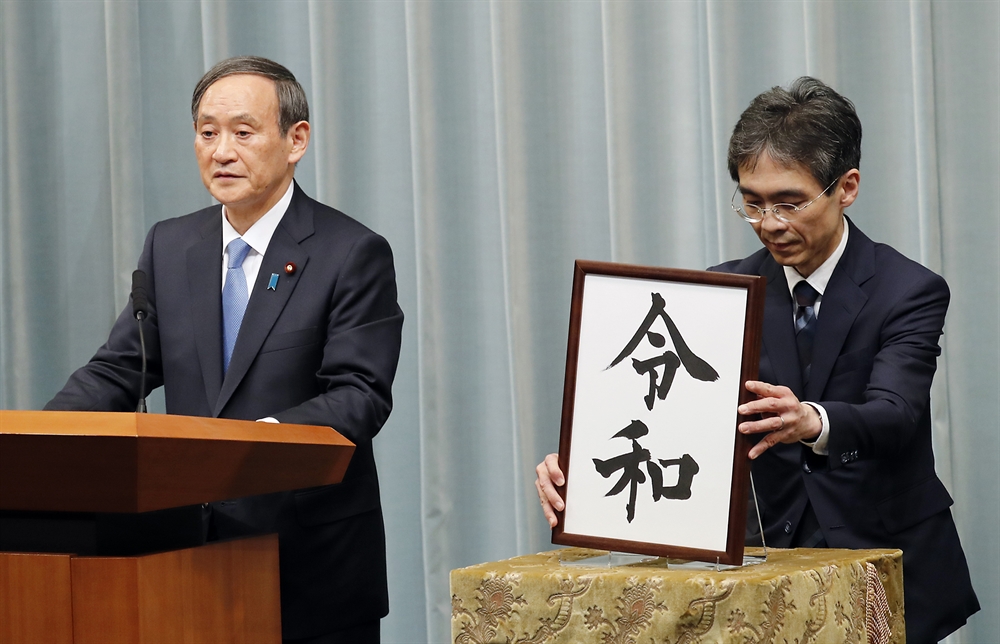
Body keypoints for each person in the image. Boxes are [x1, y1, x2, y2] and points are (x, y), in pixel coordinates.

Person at [535, 77, 979, 643]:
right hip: (761, 569)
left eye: (789, 203)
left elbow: (896, 413)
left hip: (878, 557)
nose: (770, 223)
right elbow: (669, 419)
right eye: (752, 203)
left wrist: (811, 421)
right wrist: (583, 465)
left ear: (847, 187)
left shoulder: (908, 289)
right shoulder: (723, 291)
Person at [45, 56, 402, 643]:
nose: (221, 151)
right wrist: (43, 437)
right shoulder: (172, 244)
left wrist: (246, 447)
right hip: (185, 557)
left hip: (309, 565)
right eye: (207, 133)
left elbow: (359, 398)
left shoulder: (351, 252)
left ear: (296, 140)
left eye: (242, 131)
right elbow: (121, 367)